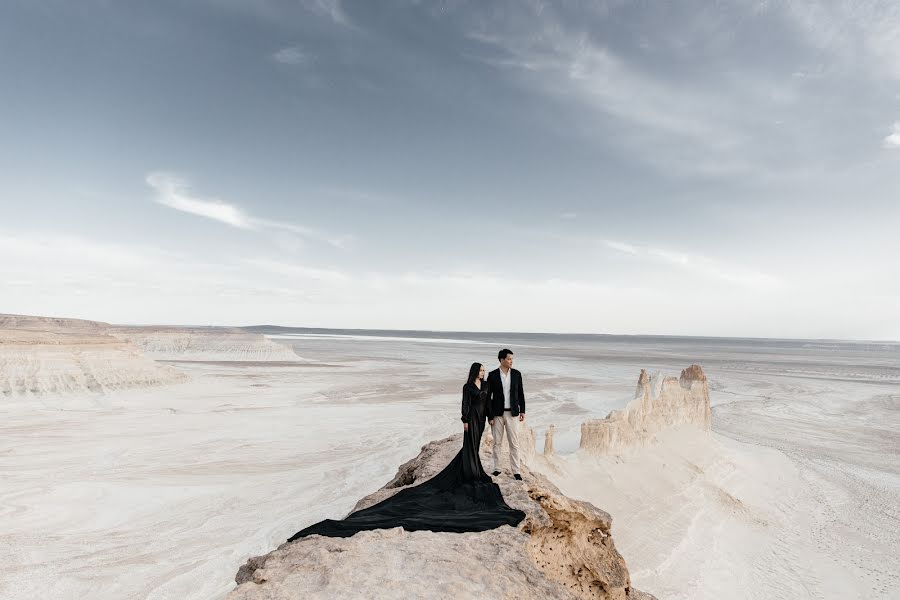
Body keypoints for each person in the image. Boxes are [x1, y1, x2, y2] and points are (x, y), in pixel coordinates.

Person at [286, 362, 524, 541]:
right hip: (471, 419)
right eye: (481, 371)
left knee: (473, 445)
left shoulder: (484, 385)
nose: (483, 373)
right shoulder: (467, 386)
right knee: (468, 444)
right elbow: (465, 404)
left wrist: (490, 415)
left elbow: (489, 401)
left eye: (484, 371)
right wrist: (464, 419)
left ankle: (473, 468)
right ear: (475, 372)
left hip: (482, 419)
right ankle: (470, 469)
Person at [486, 349, 526, 480]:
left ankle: (516, 471)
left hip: (513, 413)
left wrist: (522, 410)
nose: (511, 361)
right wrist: (490, 416)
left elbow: (520, 393)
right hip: (497, 414)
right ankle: (497, 468)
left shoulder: (516, 374)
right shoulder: (492, 375)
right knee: (497, 442)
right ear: (502, 360)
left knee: (514, 443)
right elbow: (488, 397)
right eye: (509, 359)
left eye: (512, 359)